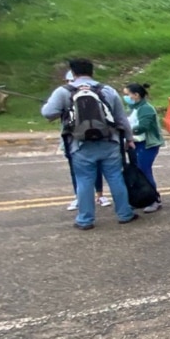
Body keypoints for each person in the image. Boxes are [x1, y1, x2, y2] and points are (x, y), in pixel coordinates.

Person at [41, 58, 138, 230]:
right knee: (115, 177)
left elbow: (48, 113)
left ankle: (85, 220)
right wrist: (129, 139)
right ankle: (124, 214)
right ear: (92, 71)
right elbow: (121, 118)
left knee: (84, 181)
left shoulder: (64, 92)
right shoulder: (107, 90)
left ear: (73, 72)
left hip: (80, 145)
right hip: (109, 142)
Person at [60, 69, 109, 211]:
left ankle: (95, 197)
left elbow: (48, 112)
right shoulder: (99, 91)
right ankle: (83, 197)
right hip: (83, 138)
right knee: (83, 170)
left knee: (83, 171)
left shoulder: (65, 93)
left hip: (77, 140)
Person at [125, 83, 164, 213]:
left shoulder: (145, 108)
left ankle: (154, 200)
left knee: (144, 171)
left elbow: (142, 127)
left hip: (147, 144)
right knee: (139, 171)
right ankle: (143, 198)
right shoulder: (136, 107)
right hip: (138, 143)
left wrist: (127, 130)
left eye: (128, 94)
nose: (126, 97)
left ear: (136, 95)